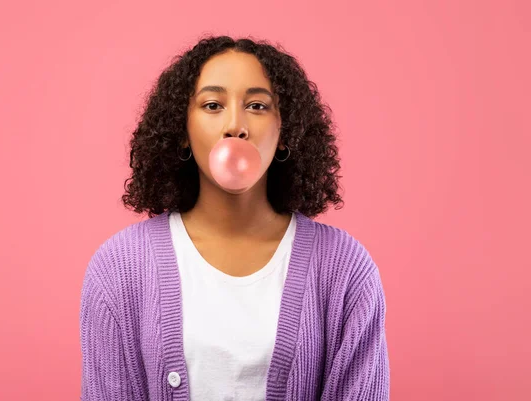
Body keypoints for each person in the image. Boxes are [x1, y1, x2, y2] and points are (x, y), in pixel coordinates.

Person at [79, 35, 389, 401]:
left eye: (257, 106)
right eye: (212, 105)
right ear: (182, 131)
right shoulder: (118, 269)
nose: (235, 126)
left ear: (285, 131)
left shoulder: (345, 269)